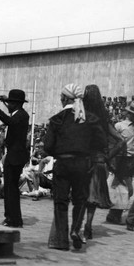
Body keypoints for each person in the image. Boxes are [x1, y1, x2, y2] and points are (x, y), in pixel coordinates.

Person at [44, 83, 106, 250]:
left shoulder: (57, 119)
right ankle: (76, 230)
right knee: (80, 200)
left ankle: (62, 241)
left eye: (60, 97)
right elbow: (102, 142)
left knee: (60, 202)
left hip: (63, 164)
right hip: (82, 164)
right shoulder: (90, 118)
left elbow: (48, 146)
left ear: (65, 98)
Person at [81, 84, 123, 239]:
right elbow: (120, 141)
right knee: (93, 197)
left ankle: (77, 225)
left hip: (83, 159)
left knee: (81, 194)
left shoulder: (82, 115)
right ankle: (88, 226)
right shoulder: (104, 119)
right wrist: (108, 157)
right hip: (99, 161)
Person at [0, 89, 29, 228]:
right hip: (15, 155)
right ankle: (13, 218)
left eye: (10, 102)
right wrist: (4, 101)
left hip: (14, 157)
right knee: (11, 188)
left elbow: (9, 120)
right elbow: (11, 114)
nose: (8, 104)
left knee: (10, 189)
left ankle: (12, 219)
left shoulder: (19, 116)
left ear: (15, 104)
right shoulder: (20, 113)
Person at [105, 101, 134, 224]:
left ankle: (116, 214)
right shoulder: (119, 126)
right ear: (129, 113)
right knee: (119, 187)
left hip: (133, 160)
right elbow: (112, 143)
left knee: (127, 188)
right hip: (120, 159)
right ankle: (113, 214)